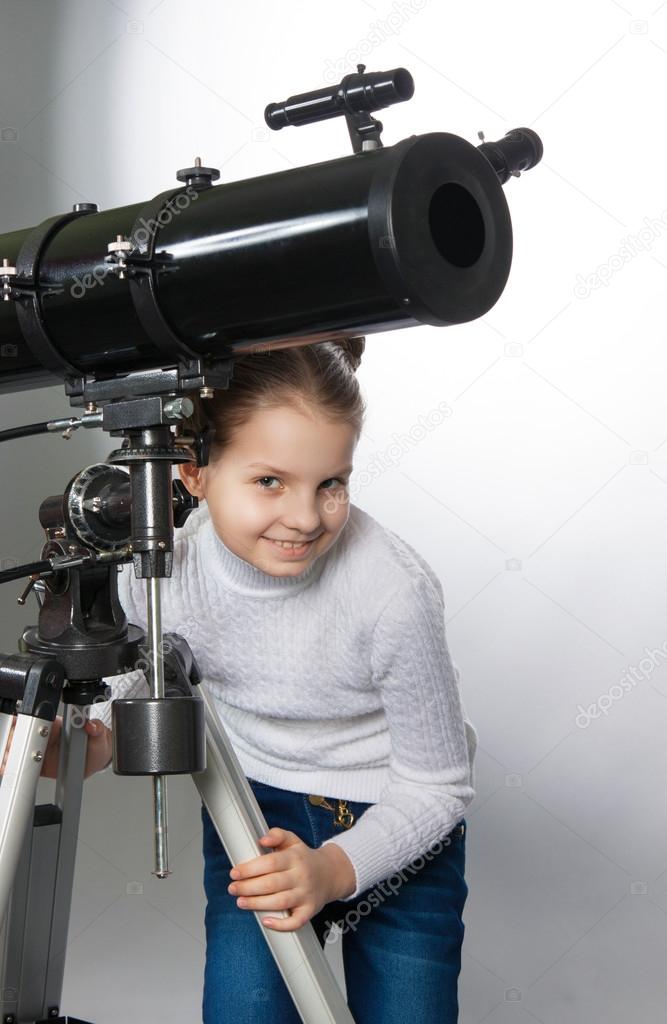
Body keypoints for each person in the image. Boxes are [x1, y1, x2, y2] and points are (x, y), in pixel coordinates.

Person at [39, 337, 478, 1024]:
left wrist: (337, 868)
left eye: (330, 483)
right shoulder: (167, 571)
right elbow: (137, 687)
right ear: (191, 471)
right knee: (244, 1011)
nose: (305, 517)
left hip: (397, 826)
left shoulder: (391, 590)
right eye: (270, 481)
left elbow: (438, 784)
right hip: (257, 816)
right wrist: (87, 746)